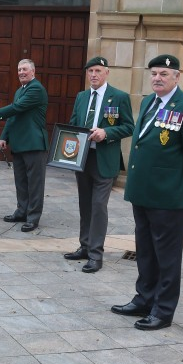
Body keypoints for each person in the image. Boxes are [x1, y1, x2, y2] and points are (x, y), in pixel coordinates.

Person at [110, 54, 183, 330]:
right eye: (154, 73)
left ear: (177, 77)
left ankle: (163, 310)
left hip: (168, 195)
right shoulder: (148, 102)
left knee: (166, 256)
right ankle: (144, 298)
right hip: (142, 192)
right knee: (145, 251)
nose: (157, 78)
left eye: (164, 74)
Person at [63, 57, 134, 273]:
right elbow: (74, 122)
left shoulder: (119, 97)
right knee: (85, 204)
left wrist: (107, 133)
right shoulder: (82, 96)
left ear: (106, 73)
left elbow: (129, 126)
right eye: (90, 71)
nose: (93, 74)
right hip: (83, 159)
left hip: (105, 160)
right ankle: (84, 246)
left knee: (98, 207)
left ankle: (96, 254)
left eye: (98, 71)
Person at [0, 59, 49, 232]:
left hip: (34, 144)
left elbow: (16, 107)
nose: (21, 72)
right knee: (21, 181)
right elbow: (14, 115)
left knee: (35, 183)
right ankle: (21, 211)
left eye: (25, 69)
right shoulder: (20, 90)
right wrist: (5, 136)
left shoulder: (36, 89)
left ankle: (33, 217)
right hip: (19, 144)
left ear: (33, 71)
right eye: (19, 69)